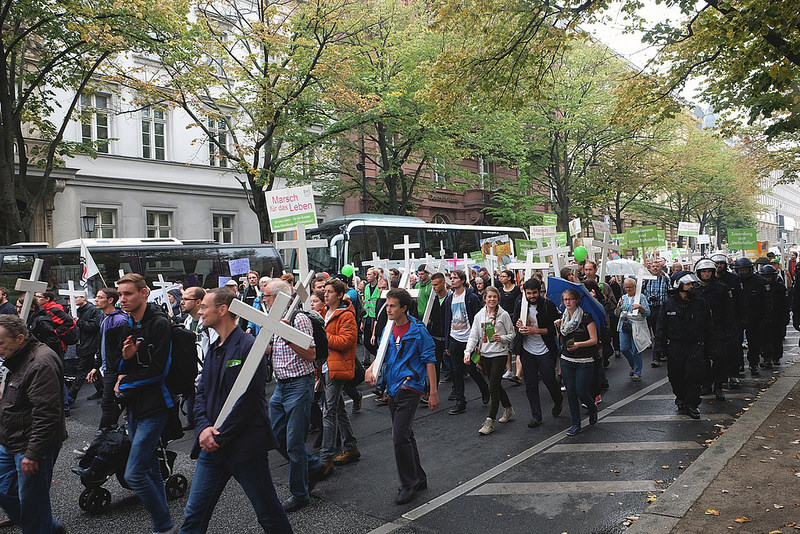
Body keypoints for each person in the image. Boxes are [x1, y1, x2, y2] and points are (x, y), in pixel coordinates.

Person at [179, 289, 292, 533]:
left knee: (269, 515)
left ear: (222, 310)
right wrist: (203, 429)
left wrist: (220, 435)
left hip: (245, 448)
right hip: (211, 448)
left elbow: (249, 401)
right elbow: (201, 393)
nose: (200, 311)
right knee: (193, 517)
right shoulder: (214, 347)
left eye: (205, 306)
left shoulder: (249, 346)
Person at [115, 273, 176, 534]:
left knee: (134, 473)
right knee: (150, 469)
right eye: (120, 294)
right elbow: (126, 365)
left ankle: (165, 526)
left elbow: (159, 370)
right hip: (136, 406)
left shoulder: (160, 323)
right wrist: (125, 361)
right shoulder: (130, 322)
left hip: (156, 405)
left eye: (128, 294)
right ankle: (164, 526)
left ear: (144, 293)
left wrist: (124, 384)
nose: (122, 299)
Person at [366, 288, 438, 505]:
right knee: (406, 435)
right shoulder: (388, 329)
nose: (388, 309)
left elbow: (429, 360)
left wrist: (433, 392)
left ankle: (408, 483)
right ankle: (418, 477)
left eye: (392, 306)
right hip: (393, 387)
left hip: (411, 386)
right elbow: (381, 354)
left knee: (399, 437)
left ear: (404, 308)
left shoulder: (418, 331)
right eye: (387, 305)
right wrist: (371, 368)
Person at [261, 280, 326, 512]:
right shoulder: (276, 318)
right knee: (275, 435)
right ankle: (313, 465)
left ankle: (300, 493)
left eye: (266, 295)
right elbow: (276, 350)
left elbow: (311, 354)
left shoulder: (298, 319)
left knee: (295, 443)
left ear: (279, 298)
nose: (263, 300)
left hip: (298, 385)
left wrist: (287, 335)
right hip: (281, 387)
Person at [0, 314, 67, 533]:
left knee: (32, 503)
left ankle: (41, 527)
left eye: (1, 343)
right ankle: (48, 527)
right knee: (5, 491)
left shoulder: (41, 362)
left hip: (31, 443)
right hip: (10, 438)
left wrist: (33, 453)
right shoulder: (16, 356)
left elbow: (46, 414)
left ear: (20, 338)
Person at [654, 271, 711, 419]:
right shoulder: (668, 304)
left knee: (693, 375)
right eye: (687, 284)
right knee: (675, 376)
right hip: (676, 346)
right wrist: (659, 347)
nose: (691, 286)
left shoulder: (700, 303)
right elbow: (661, 327)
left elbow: (708, 325)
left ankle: (692, 404)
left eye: (692, 284)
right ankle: (681, 396)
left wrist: (708, 345)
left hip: (694, 345)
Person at [320, 278, 359, 475]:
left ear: (340, 295)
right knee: (339, 409)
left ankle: (326, 458)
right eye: (324, 291)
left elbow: (346, 341)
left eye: (329, 292)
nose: (325, 295)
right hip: (326, 366)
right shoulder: (325, 312)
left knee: (328, 412)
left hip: (337, 367)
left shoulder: (346, 315)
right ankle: (350, 446)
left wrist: (322, 336)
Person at [464, 286, 515, 435]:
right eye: (489, 297)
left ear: (498, 299)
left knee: (492, 387)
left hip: (499, 354)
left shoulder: (503, 315)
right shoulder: (479, 315)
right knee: (495, 384)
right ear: (484, 298)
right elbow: (473, 335)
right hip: (485, 354)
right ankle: (508, 408)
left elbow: (512, 334)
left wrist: (501, 338)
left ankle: (490, 421)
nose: (492, 299)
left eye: (495, 297)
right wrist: (468, 352)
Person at [513, 278, 562, 428]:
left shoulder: (547, 305)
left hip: (545, 349)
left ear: (539, 291)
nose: (532, 296)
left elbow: (554, 329)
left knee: (548, 379)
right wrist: (518, 325)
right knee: (530, 384)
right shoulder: (520, 304)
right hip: (527, 350)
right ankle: (536, 415)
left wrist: (535, 330)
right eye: (529, 293)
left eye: (534, 293)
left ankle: (558, 399)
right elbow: (515, 321)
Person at [443, 270, 490, 415]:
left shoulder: (471, 297)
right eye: (451, 278)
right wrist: (447, 343)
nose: (452, 280)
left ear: (462, 280)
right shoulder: (449, 299)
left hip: (470, 339)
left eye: (455, 278)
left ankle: (484, 388)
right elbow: (447, 320)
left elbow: (478, 318)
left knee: (471, 369)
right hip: (454, 338)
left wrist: (479, 341)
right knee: (456, 370)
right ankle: (460, 401)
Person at [555, 288, 599, 436]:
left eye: (571, 299)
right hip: (567, 359)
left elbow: (594, 340)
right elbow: (562, 339)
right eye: (565, 299)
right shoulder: (563, 318)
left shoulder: (586, 317)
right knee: (571, 393)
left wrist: (579, 344)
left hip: (584, 361)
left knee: (581, 392)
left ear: (577, 300)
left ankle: (592, 407)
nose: (568, 302)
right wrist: (558, 327)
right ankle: (576, 424)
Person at [87, 288, 129, 431]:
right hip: (107, 367)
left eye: (100, 297)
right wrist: (96, 366)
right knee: (113, 402)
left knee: (107, 403)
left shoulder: (120, 320)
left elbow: (121, 348)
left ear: (110, 300)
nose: (96, 300)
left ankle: (102, 435)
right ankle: (111, 431)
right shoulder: (103, 318)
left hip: (115, 368)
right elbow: (102, 345)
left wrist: (120, 370)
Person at [694, 259, 734, 400]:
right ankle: (706, 384)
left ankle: (718, 386)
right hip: (701, 330)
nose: (706, 274)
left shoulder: (722, 288)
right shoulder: (695, 290)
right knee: (702, 358)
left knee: (719, 358)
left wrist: (728, 330)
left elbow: (729, 310)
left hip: (718, 328)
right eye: (704, 272)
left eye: (709, 271)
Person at [180, 286, 215, 432]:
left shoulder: (208, 323)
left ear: (198, 302)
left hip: (206, 372)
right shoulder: (187, 322)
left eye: (186, 299)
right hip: (191, 371)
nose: (182, 302)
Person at [733, 258, 771, 376]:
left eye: (745, 269)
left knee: (754, 343)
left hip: (755, 317)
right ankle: (738, 364)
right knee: (736, 343)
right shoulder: (734, 281)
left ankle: (754, 364)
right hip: (738, 317)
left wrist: (766, 317)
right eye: (741, 270)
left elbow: (767, 300)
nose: (743, 272)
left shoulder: (759, 281)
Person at [67, 293, 102, 404]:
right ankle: (101, 390)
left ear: (83, 297)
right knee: (92, 367)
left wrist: (79, 322)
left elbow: (94, 326)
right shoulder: (78, 311)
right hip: (83, 343)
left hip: (89, 344)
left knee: (81, 371)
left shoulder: (92, 310)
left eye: (75, 297)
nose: (73, 300)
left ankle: (70, 396)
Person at [614, 278, 650, 381]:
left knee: (636, 350)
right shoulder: (623, 298)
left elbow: (647, 312)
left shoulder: (640, 297)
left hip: (636, 326)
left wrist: (640, 307)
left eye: (630, 287)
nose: (628, 289)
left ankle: (637, 372)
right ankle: (633, 365)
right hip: (624, 325)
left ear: (635, 287)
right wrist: (619, 306)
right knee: (624, 348)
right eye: (626, 287)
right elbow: (616, 313)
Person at [760, 264, 789, 368]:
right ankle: (767, 358)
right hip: (765, 318)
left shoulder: (780, 288)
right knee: (765, 339)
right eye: (766, 277)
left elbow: (785, 304)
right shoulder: (761, 287)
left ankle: (776, 357)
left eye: (770, 277)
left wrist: (786, 317)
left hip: (777, 317)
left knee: (777, 338)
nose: (768, 279)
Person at [642, 261, 670, 368]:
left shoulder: (665, 279)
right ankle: (664, 353)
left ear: (660, 268)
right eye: (653, 266)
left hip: (662, 308)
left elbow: (670, 292)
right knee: (657, 331)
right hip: (650, 308)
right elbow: (640, 292)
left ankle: (656, 357)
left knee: (660, 331)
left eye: (657, 266)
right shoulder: (646, 280)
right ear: (649, 268)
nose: (655, 268)